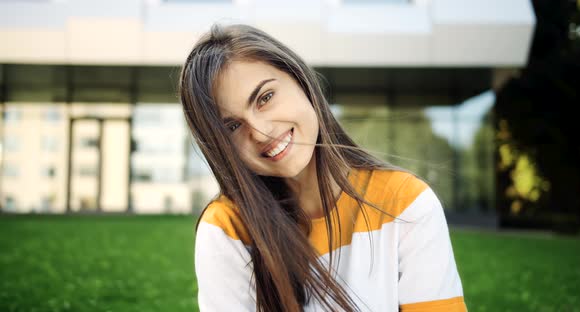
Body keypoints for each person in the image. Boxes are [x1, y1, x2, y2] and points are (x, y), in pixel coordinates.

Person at [179, 23, 467, 312]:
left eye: (265, 98)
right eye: (232, 126)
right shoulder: (226, 228)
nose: (260, 132)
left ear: (300, 81)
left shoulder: (405, 203)